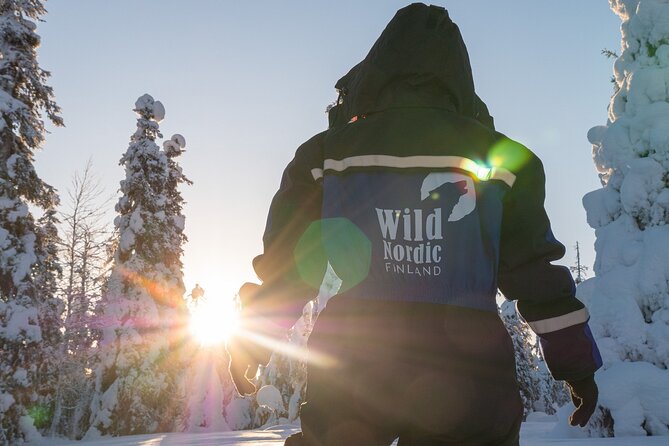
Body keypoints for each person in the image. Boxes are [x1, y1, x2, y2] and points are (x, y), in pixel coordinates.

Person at [227, 4, 602, 445]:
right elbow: (535, 271)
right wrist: (575, 362)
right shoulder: (504, 161)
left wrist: (253, 337)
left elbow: (290, 262)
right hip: (468, 369)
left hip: (356, 359)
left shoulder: (324, 157)